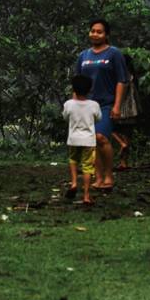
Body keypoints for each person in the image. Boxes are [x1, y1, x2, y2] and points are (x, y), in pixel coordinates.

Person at [75, 19, 129, 190]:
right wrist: (74, 105)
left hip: (106, 104)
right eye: (92, 30)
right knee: (91, 142)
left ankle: (109, 175)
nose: (95, 34)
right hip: (86, 105)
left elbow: (122, 81)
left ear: (106, 35)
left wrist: (117, 106)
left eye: (99, 31)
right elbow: (77, 83)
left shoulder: (114, 54)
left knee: (101, 138)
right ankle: (98, 178)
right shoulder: (83, 56)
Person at [63, 75, 100, 206]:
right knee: (87, 166)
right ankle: (86, 195)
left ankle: (73, 183)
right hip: (89, 141)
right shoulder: (94, 105)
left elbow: (65, 117)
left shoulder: (69, 104)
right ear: (90, 90)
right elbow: (98, 118)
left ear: (73, 89)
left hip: (73, 139)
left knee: (73, 160)